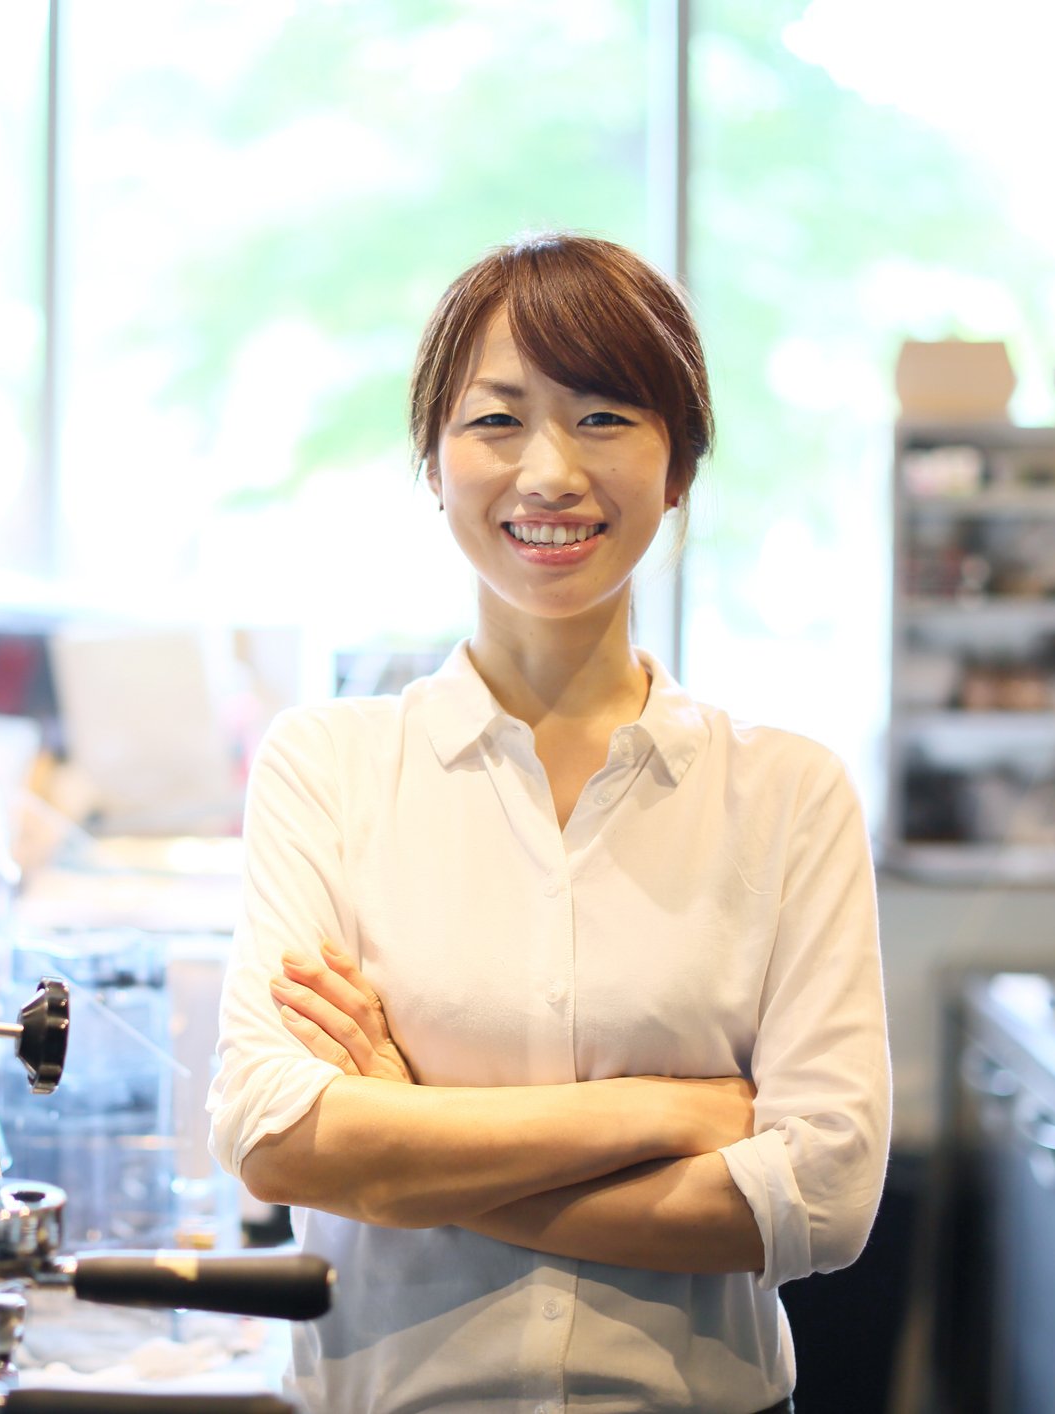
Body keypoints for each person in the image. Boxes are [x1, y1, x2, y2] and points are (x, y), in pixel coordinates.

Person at [206, 232, 889, 1414]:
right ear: (431, 462)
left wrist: (404, 1141)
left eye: (607, 417)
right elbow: (269, 1133)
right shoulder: (329, 765)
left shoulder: (788, 793)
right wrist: (667, 1114)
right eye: (497, 421)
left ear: (678, 470)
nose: (550, 472)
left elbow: (822, 1198)